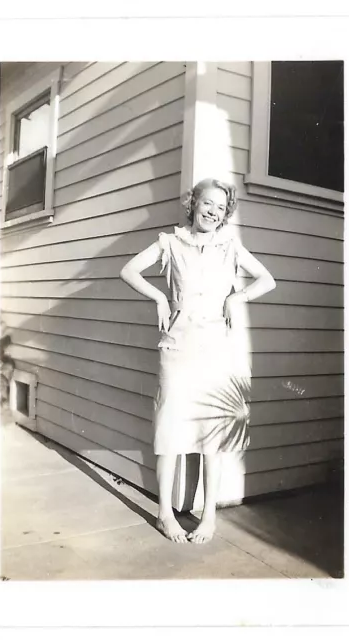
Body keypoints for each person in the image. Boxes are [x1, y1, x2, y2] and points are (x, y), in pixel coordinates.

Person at [120, 178, 276, 544]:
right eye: (207, 203)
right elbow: (129, 270)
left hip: (215, 349)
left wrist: (237, 299)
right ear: (193, 204)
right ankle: (164, 514)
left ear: (225, 214)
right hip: (178, 346)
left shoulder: (229, 247)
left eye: (220, 208)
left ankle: (208, 518)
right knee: (171, 429)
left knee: (212, 435)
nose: (212, 211)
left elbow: (266, 280)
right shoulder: (170, 242)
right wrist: (159, 297)